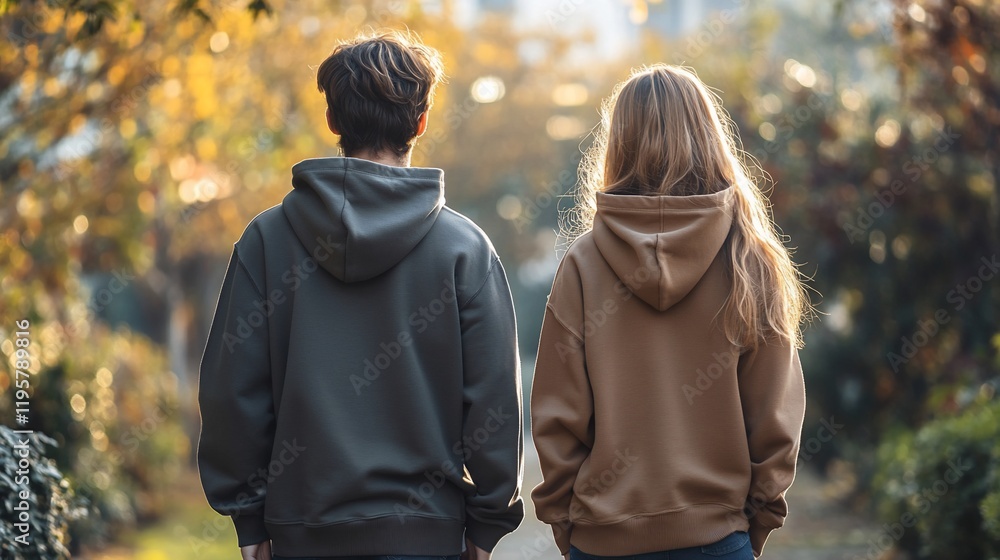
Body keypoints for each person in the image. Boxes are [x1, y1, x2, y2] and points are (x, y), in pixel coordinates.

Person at [197, 30, 524, 560]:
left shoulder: (266, 241)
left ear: (333, 122)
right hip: (428, 540)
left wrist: (250, 519)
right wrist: (486, 527)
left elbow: (231, 394)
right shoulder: (465, 249)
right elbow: (493, 403)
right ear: (420, 122)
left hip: (301, 537)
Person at [530, 64, 810, 559]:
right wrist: (756, 523)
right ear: (708, 135)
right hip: (717, 541)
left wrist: (566, 525)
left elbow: (557, 417)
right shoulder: (750, 260)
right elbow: (776, 422)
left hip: (604, 543)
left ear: (618, 143)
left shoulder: (584, 263)